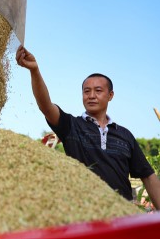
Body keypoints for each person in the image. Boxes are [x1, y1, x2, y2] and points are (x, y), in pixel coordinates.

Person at [15, 45, 160, 210]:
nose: (91, 96)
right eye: (86, 91)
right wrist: (34, 71)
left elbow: (147, 176)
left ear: (110, 95)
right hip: (84, 213)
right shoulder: (71, 125)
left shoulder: (125, 135)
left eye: (98, 91)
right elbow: (46, 106)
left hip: (122, 215)